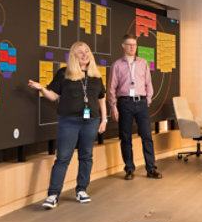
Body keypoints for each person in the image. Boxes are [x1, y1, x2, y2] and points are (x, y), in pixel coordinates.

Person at [28, 41, 107, 209]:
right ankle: (53, 194)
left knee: (86, 156)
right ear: (73, 56)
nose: (84, 54)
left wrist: (104, 119)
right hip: (69, 122)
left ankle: (82, 190)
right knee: (63, 158)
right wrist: (42, 88)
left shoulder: (96, 76)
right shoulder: (64, 73)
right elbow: (53, 96)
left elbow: (101, 99)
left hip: (91, 121)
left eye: (87, 51)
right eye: (80, 52)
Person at [107, 33, 162, 180]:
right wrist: (113, 106)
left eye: (134, 45)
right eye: (129, 44)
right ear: (123, 46)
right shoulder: (116, 65)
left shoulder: (143, 63)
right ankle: (129, 169)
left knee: (147, 136)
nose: (132, 47)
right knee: (125, 137)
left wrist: (147, 99)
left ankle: (151, 168)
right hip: (124, 103)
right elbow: (111, 88)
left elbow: (148, 83)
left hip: (141, 102)